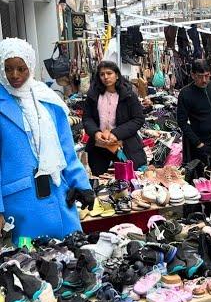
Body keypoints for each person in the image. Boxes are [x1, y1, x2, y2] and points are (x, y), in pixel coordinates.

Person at [0, 38, 94, 243]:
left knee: (71, 256)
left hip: (58, 192)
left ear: (30, 67)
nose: (14, 75)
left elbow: (66, 149)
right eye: (8, 69)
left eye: (21, 68)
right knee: (29, 263)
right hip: (20, 202)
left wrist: (82, 184)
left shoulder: (47, 99)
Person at [83, 61, 147, 176]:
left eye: (109, 73)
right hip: (99, 145)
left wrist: (116, 134)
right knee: (97, 178)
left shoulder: (128, 95)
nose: (105, 77)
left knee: (127, 178)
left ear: (117, 75)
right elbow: (87, 118)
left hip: (124, 144)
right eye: (102, 74)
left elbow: (138, 119)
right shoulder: (93, 95)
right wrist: (95, 133)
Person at [177, 59, 211, 168]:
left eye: (207, 75)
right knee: (205, 179)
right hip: (203, 145)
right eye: (200, 76)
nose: (204, 80)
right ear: (192, 75)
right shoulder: (185, 93)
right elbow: (182, 122)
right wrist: (198, 143)